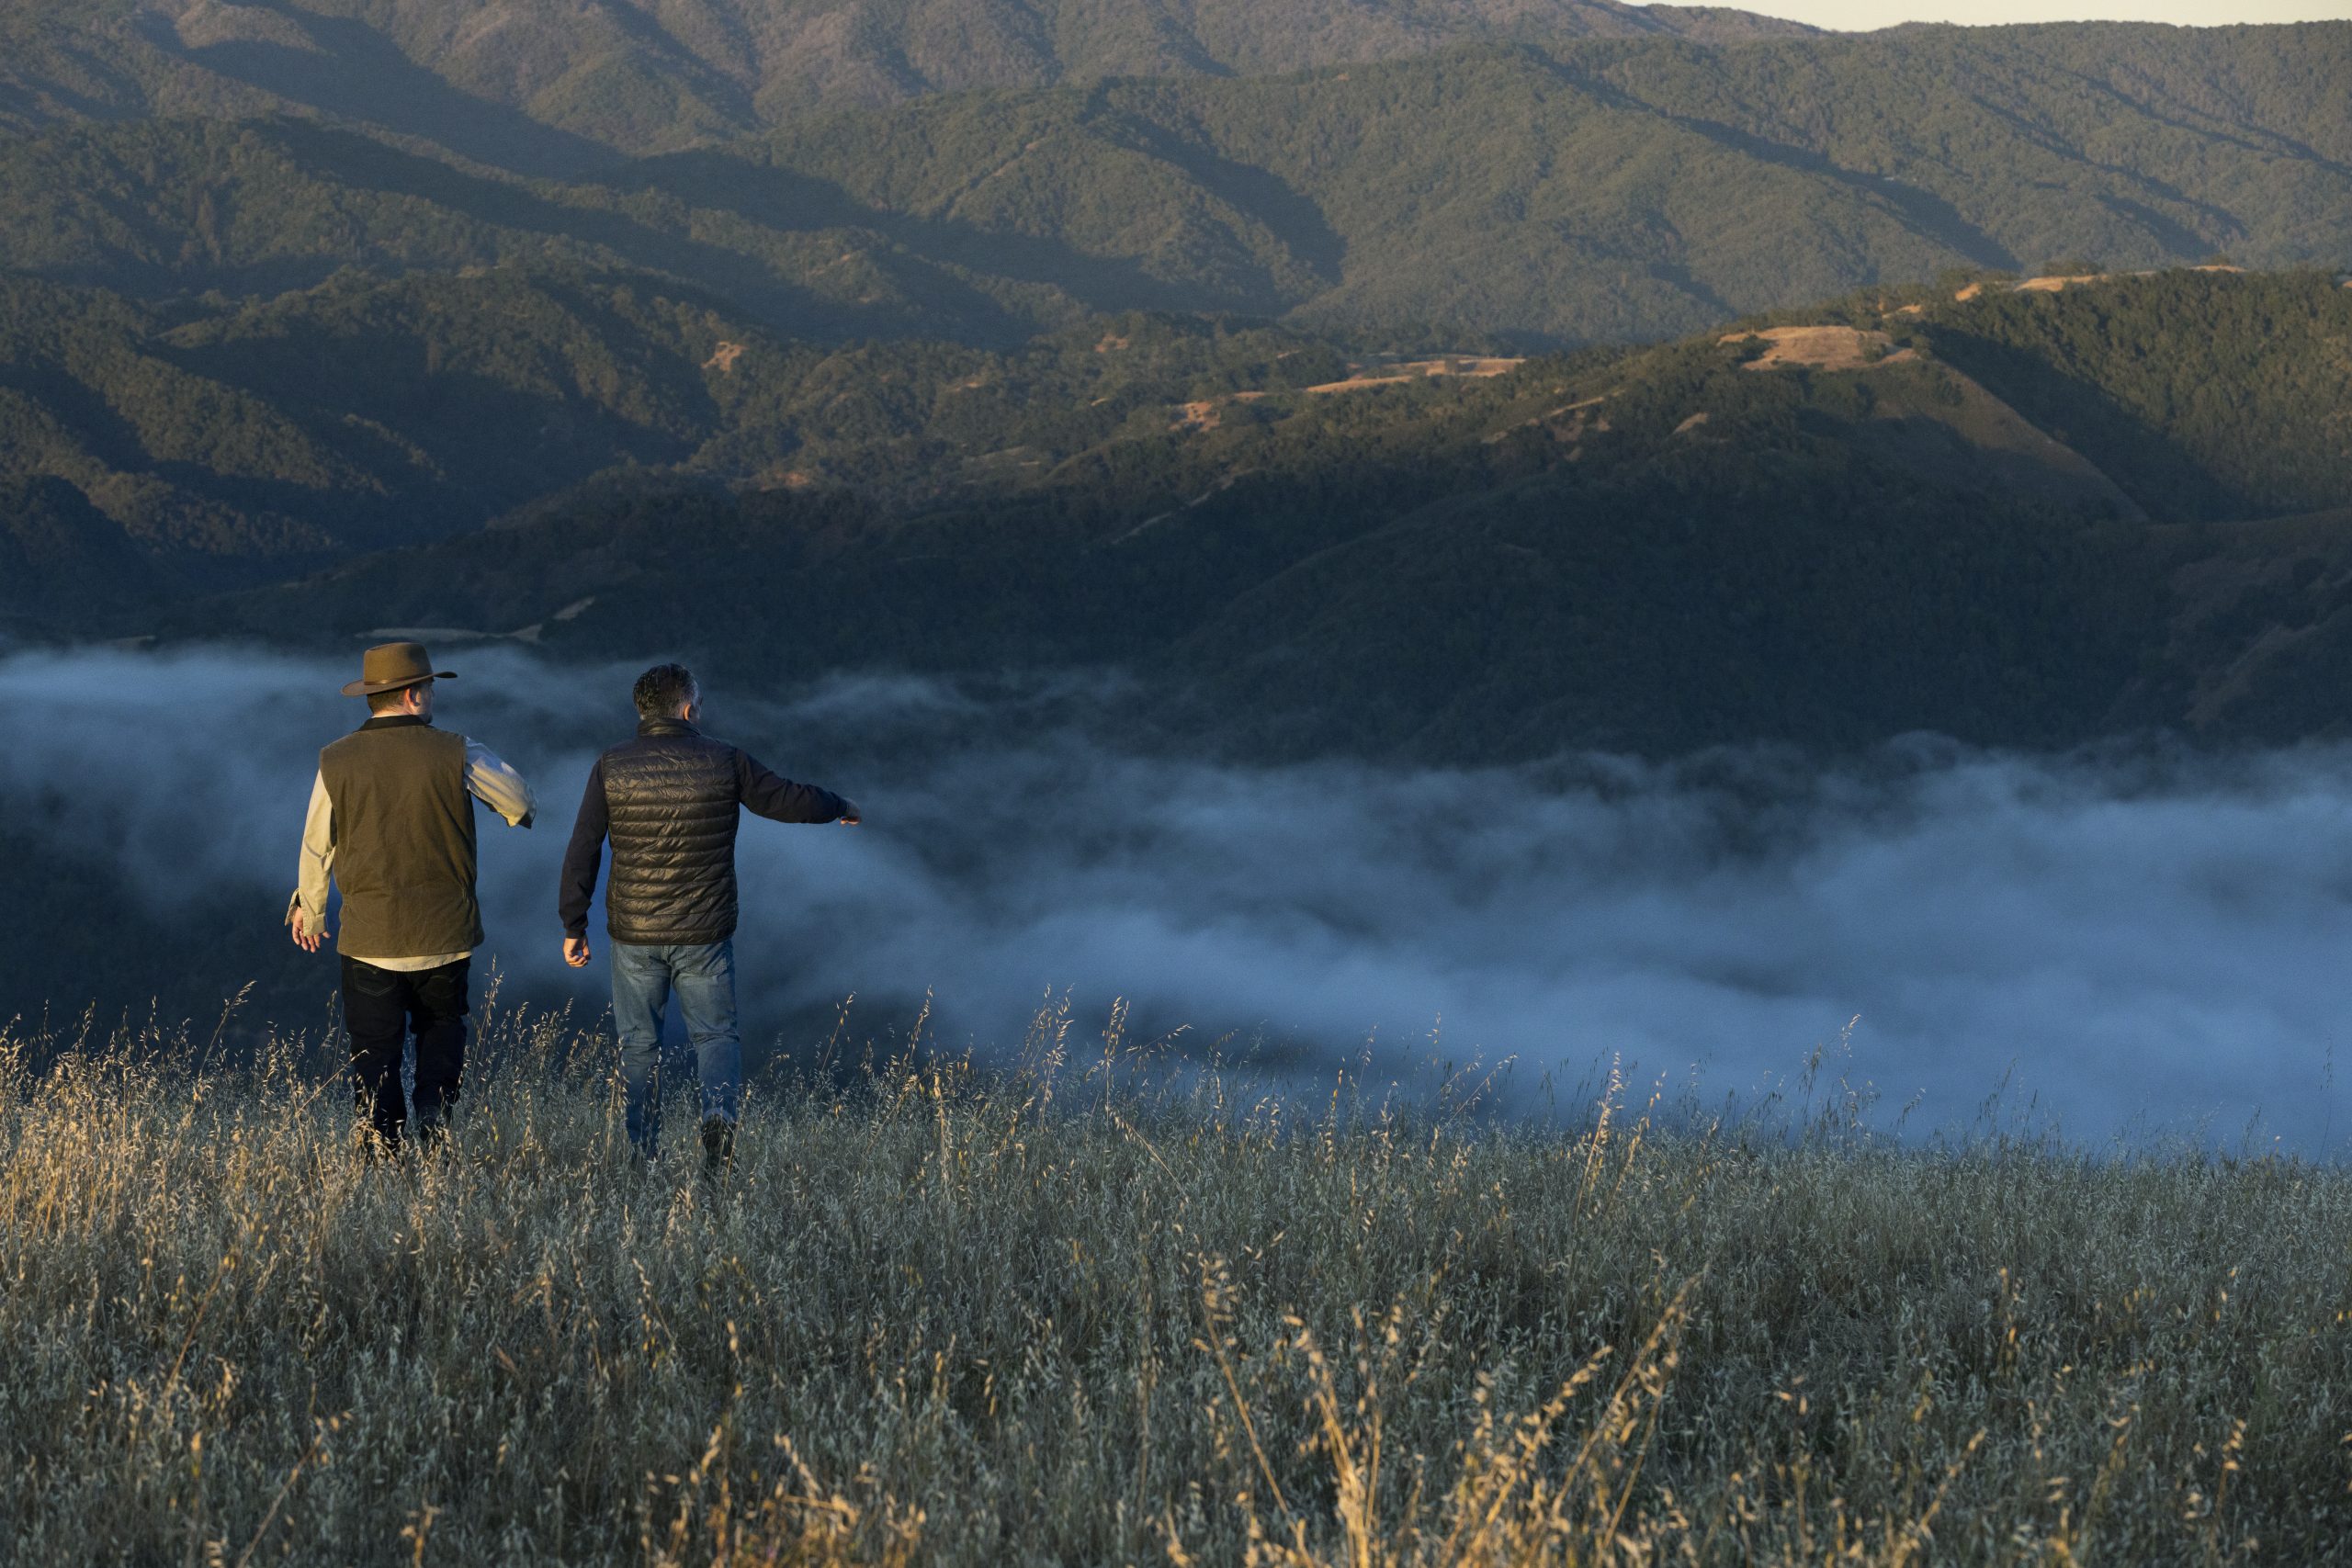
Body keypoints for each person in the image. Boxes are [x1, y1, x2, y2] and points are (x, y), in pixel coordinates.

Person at [559, 664, 858, 1179]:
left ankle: (642, 1155)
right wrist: (839, 805)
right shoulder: (724, 759)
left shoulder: (612, 766)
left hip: (634, 934)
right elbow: (785, 798)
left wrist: (573, 923)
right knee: (716, 1038)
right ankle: (717, 1121)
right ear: (689, 709)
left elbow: (584, 846)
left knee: (639, 1046)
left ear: (641, 711)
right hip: (704, 932)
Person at [287, 641, 536, 1153]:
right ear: (413, 695)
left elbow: (317, 843)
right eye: (428, 687)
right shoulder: (457, 750)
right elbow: (519, 801)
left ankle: (382, 1148)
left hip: (368, 938)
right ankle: (433, 1123)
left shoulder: (335, 759)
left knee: (374, 1050)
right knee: (441, 1029)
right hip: (444, 933)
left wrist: (310, 911)